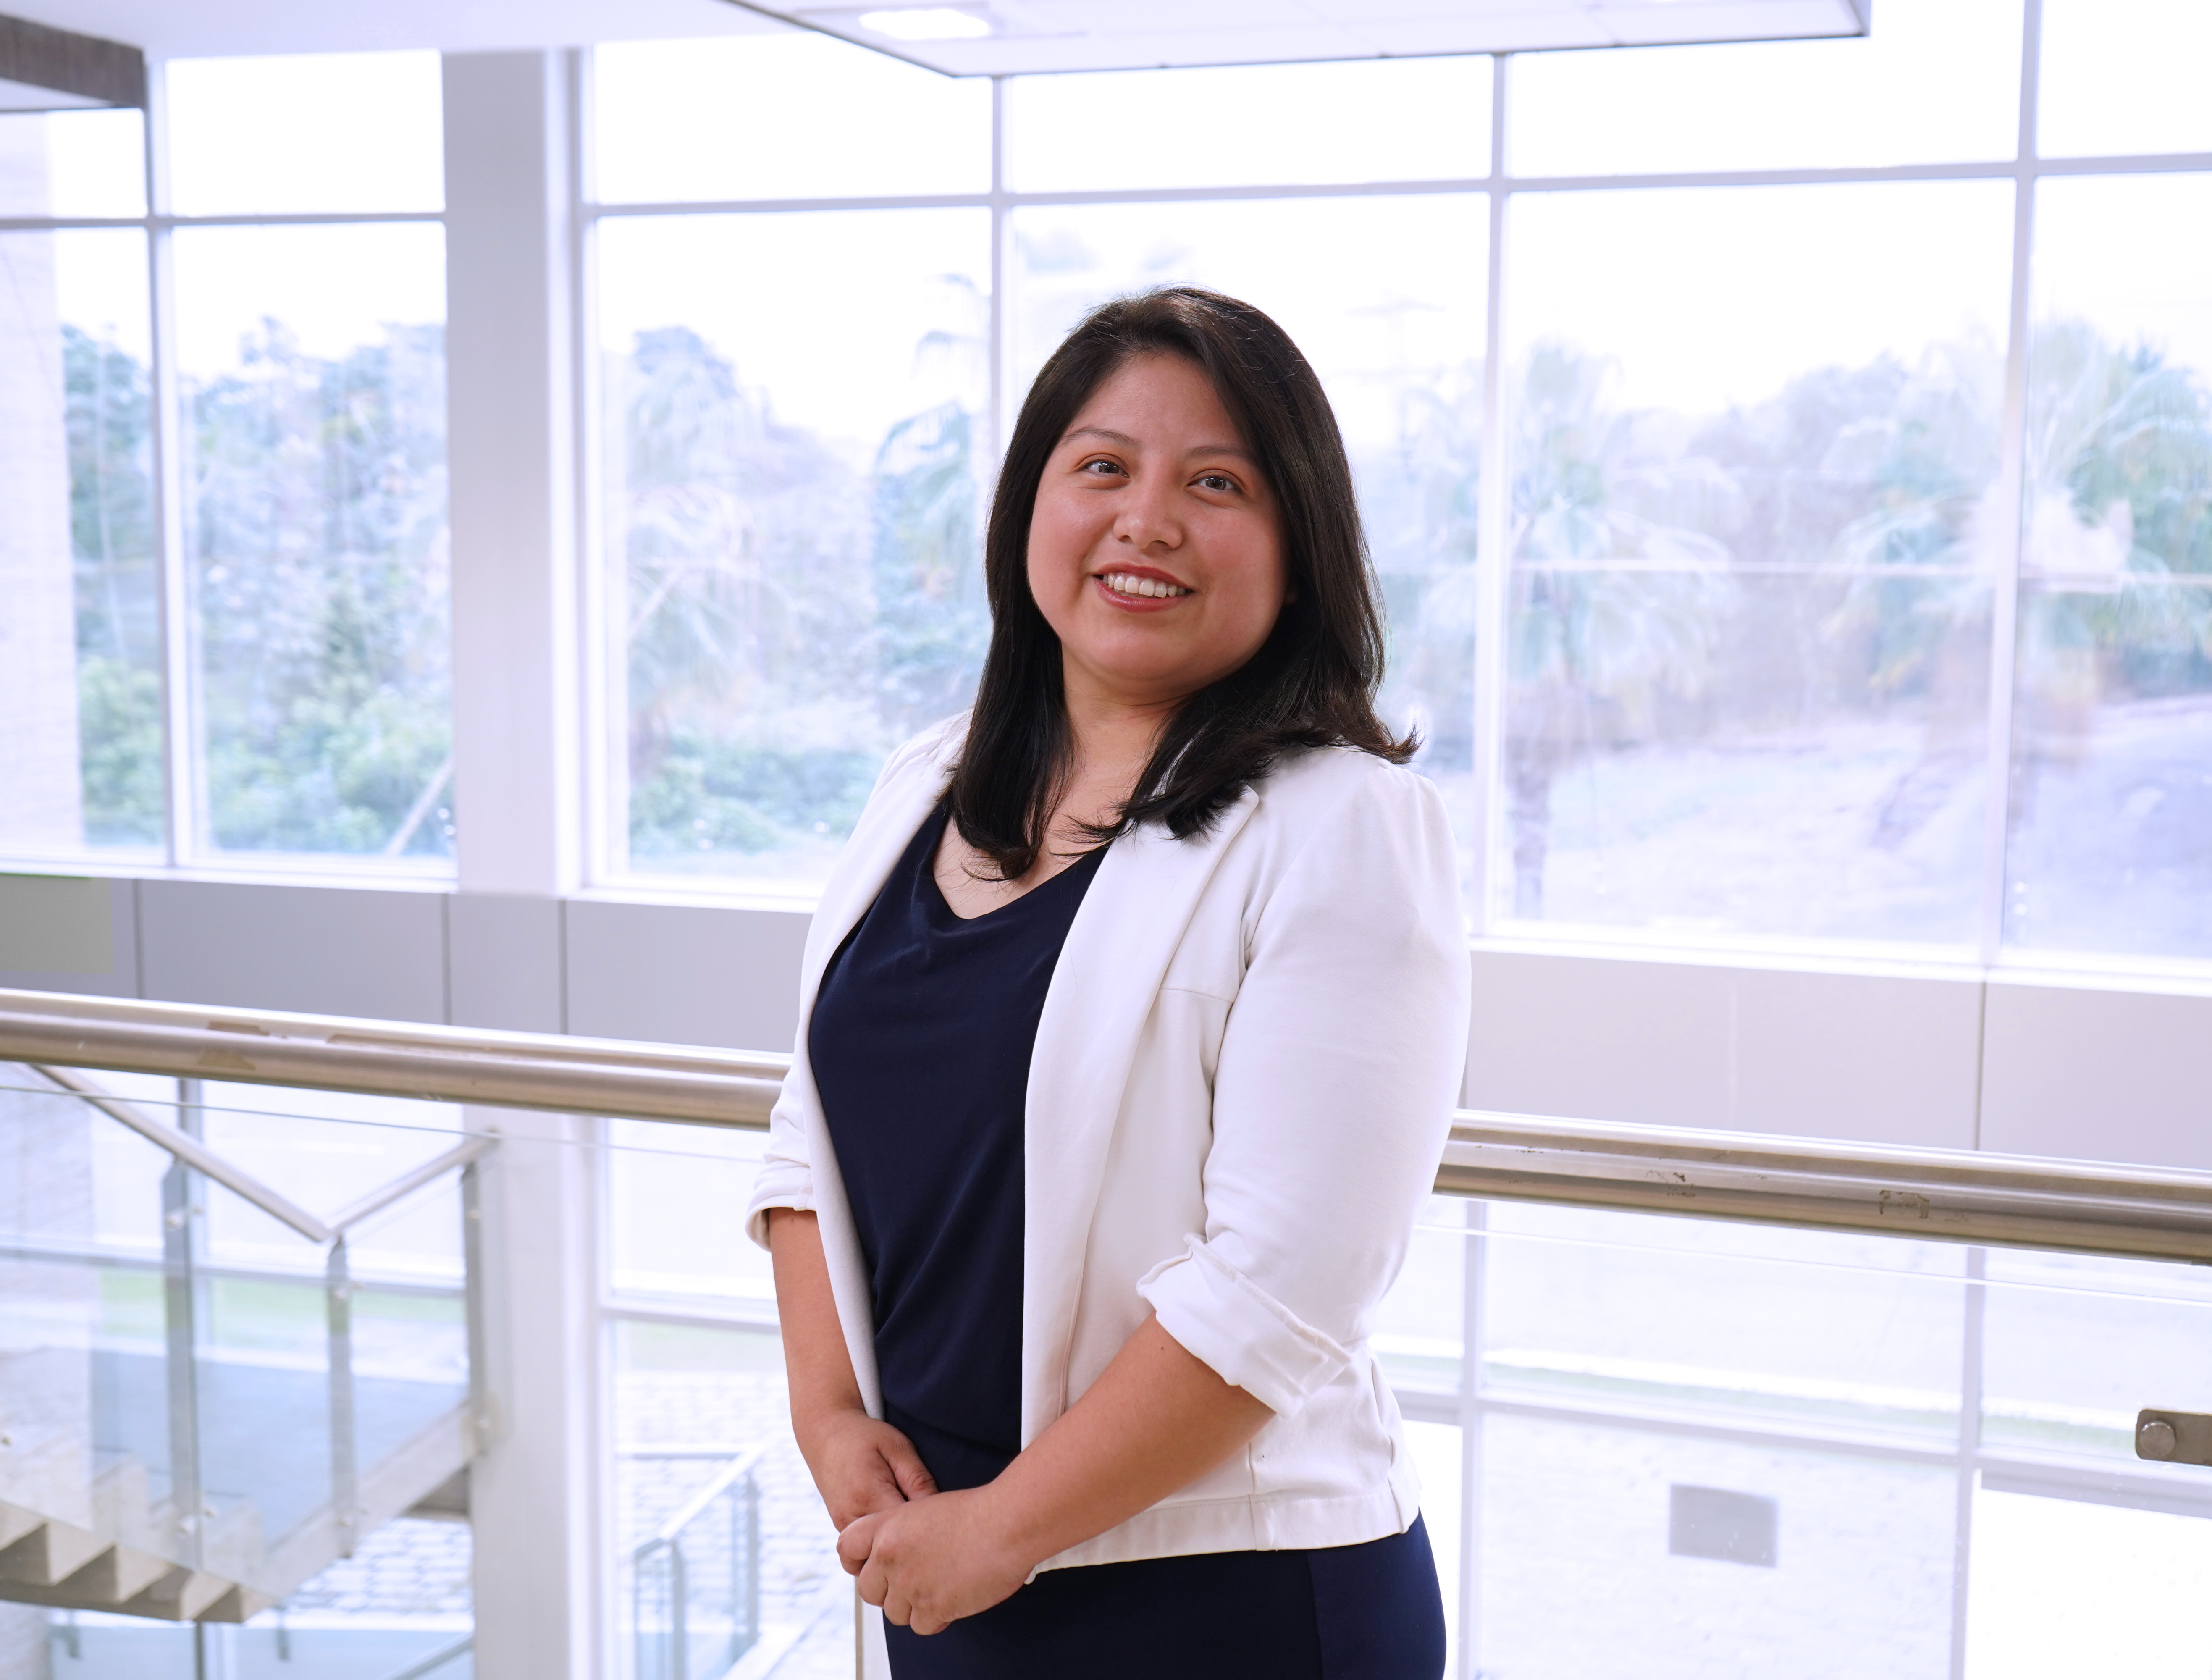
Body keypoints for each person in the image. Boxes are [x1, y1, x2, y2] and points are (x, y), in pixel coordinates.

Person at [745, 286, 1470, 1678]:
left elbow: (1281, 1287)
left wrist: (1005, 1527)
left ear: (1300, 553)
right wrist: (829, 1421)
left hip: (1226, 1595)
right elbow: (806, 1139)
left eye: (1216, 483)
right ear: (1030, 507)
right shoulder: (929, 782)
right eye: (1101, 467)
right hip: (945, 1563)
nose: (1147, 520)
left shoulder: (1344, 825)